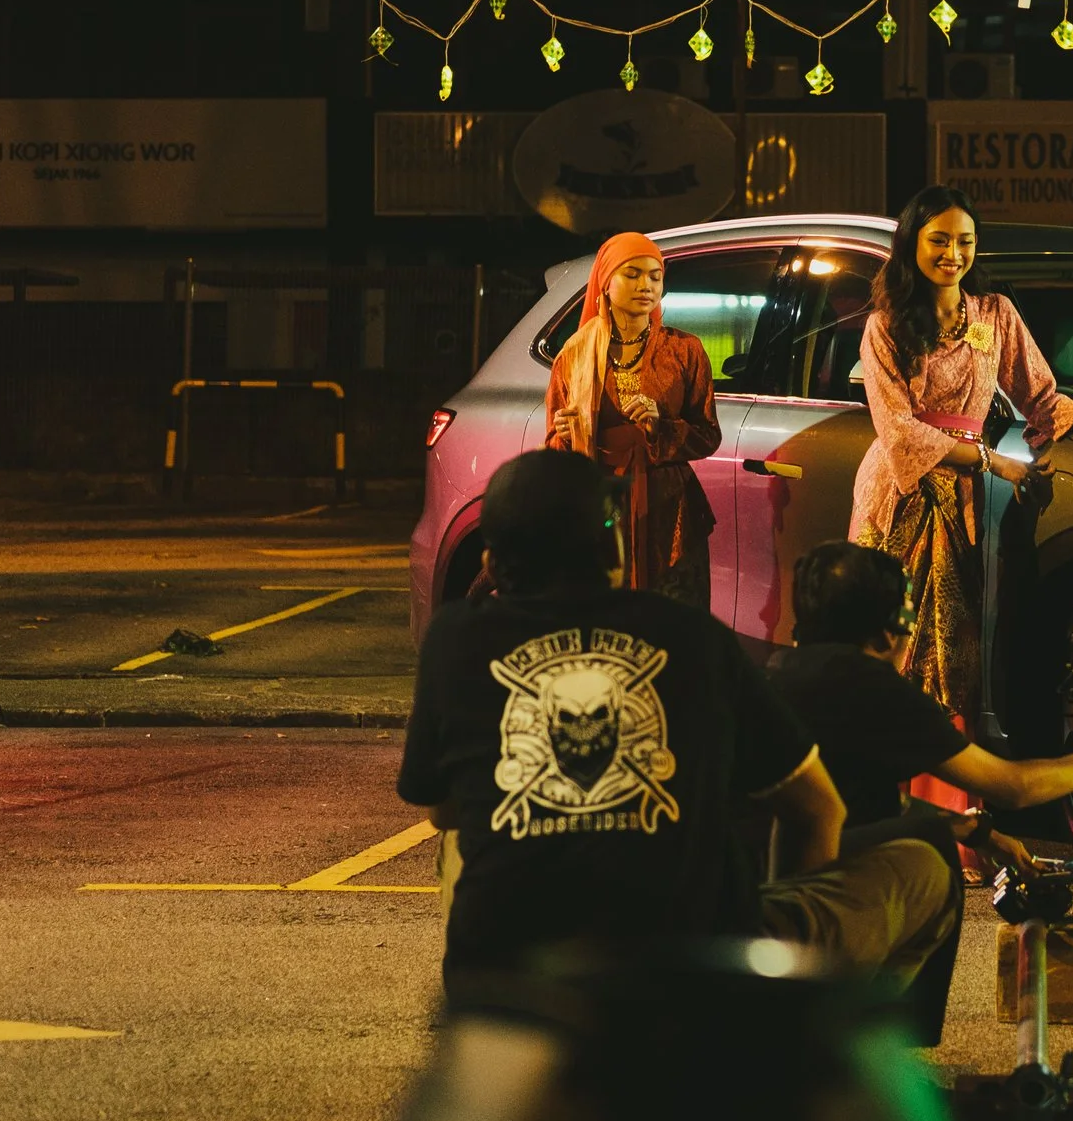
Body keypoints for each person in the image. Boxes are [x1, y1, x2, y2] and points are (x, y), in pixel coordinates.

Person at [397, 449, 957, 1000]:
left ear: (491, 564)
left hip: (510, 991)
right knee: (922, 869)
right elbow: (818, 808)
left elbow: (442, 809)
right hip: (695, 979)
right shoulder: (695, 636)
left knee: (456, 841)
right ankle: (808, 1044)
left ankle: (484, 996)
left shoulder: (454, 640)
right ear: (613, 549)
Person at [766, 540, 1073, 1042]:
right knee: (929, 867)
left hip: (735, 892)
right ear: (892, 629)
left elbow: (855, 801)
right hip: (784, 916)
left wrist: (975, 829)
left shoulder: (780, 672)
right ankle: (852, 1045)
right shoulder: (871, 687)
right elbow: (1010, 786)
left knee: (928, 832)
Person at [851, 184, 1073, 716]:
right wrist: (992, 460)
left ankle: (952, 786)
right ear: (911, 243)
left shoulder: (995, 315)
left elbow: (1042, 397)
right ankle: (880, 776)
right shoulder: (884, 325)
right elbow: (899, 431)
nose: (952, 255)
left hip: (962, 499)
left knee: (956, 639)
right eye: (939, 240)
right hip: (899, 493)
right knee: (886, 634)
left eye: (965, 242)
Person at [543, 230, 720, 606]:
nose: (647, 285)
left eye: (655, 277)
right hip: (602, 509)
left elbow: (707, 435)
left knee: (672, 623)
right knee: (607, 619)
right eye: (633, 274)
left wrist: (661, 425)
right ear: (605, 284)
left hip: (668, 510)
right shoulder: (573, 356)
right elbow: (555, 459)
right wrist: (563, 435)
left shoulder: (684, 350)